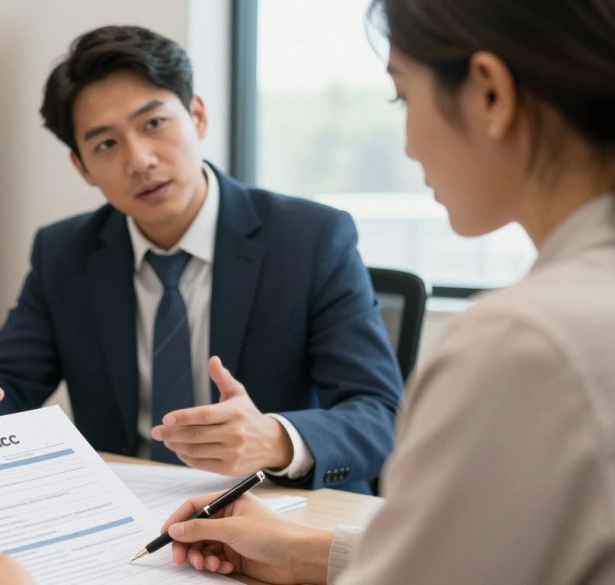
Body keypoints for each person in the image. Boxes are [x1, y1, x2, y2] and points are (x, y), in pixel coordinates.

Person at [147, 0, 615, 584]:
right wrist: (303, 553)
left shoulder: (525, 339)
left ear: (490, 94)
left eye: (403, 98)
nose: (409, 145)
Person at [0, 25, 402, 493]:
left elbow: (379, 413)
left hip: (277, 510)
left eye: (154, 123)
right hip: (125, 520)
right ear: (82, 167)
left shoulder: (310, 238)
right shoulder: (65, 253)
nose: (140, 159)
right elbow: (4, 389)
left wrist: (273, 439)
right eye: (106, 143)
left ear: (197, 116)